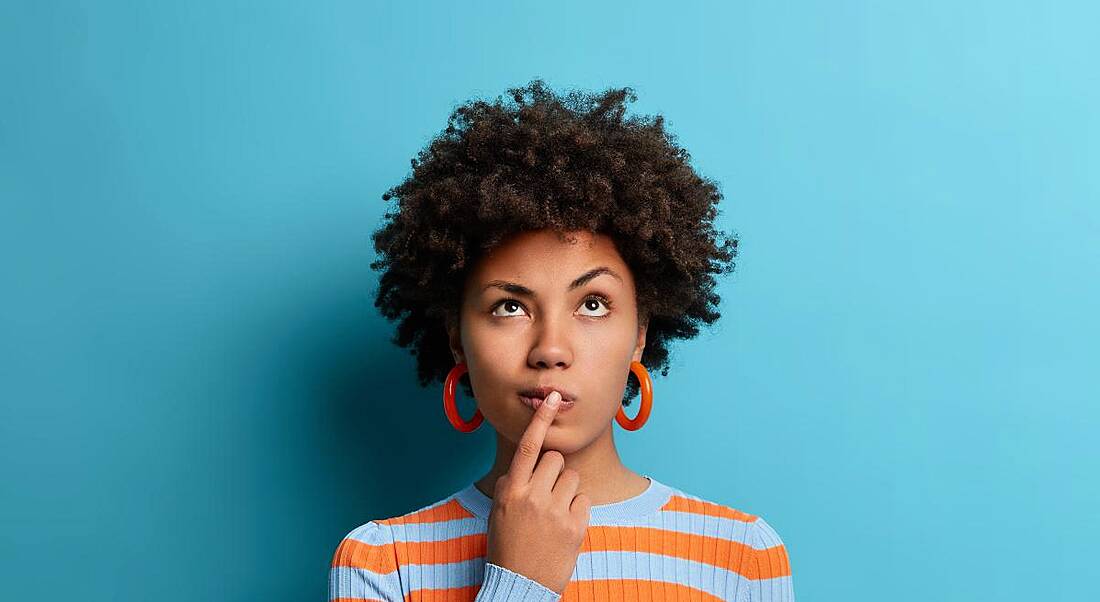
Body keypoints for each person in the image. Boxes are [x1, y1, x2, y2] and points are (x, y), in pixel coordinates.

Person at [328, 79, 794, 601]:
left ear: (639, 333)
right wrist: (520, 581)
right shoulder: (383, 564)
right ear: (457, 340)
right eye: (510, 306)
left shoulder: (741, 557)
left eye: (592, 304)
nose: (551, 349)